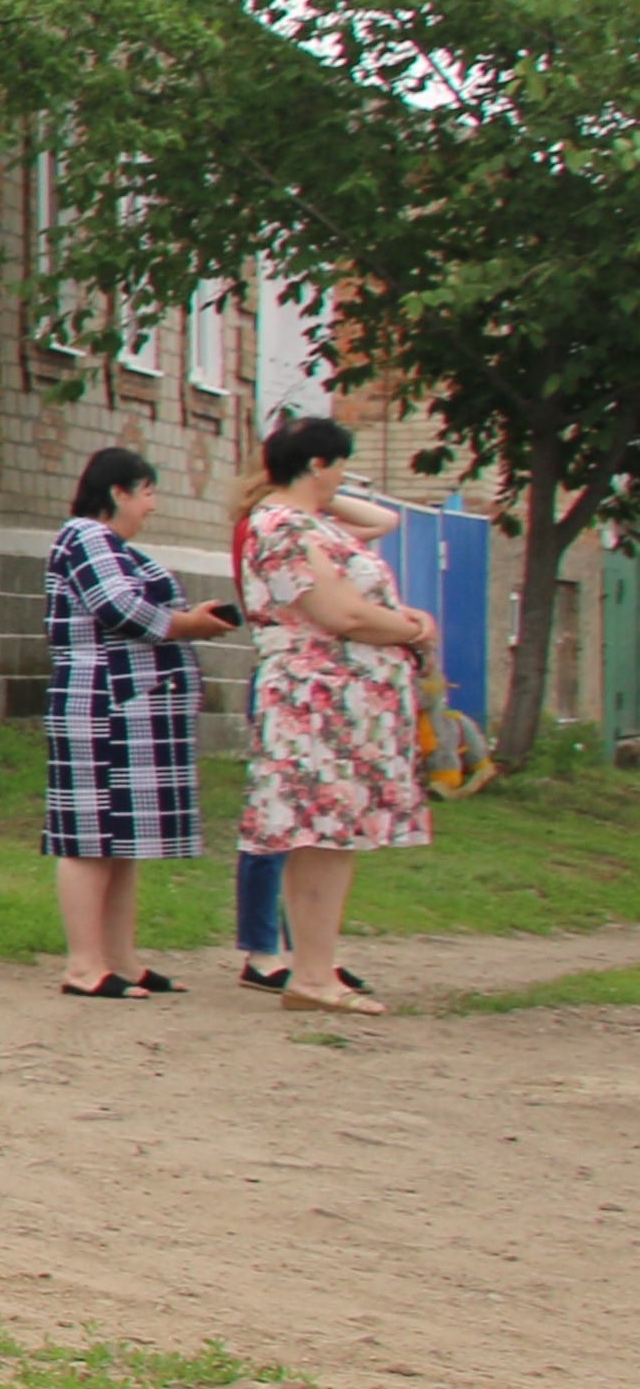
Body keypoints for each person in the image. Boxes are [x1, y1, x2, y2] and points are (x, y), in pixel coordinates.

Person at [235, 414, 440, 1015]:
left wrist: (311, 484)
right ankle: (313, 976)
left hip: (342, 702)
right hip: (316, 700)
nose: (343, 477)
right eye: (338, 464)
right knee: (318, 830)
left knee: (330, 833)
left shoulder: (305, 522)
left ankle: (315, 968)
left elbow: (376, 530)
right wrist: (414, 627)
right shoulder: (283, 526)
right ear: (319, 465)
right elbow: (339, 612)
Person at [40, 446, 234, 998]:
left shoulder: (112, 546)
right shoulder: (84, 537)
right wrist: (188, 625)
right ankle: (83, 964)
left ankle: (119, 960)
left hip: (130, 710)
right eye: (146, 491)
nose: (152, 504)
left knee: (120, 842)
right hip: (102, 709)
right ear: (117, 493)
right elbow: (120, 608)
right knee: (90, 839)